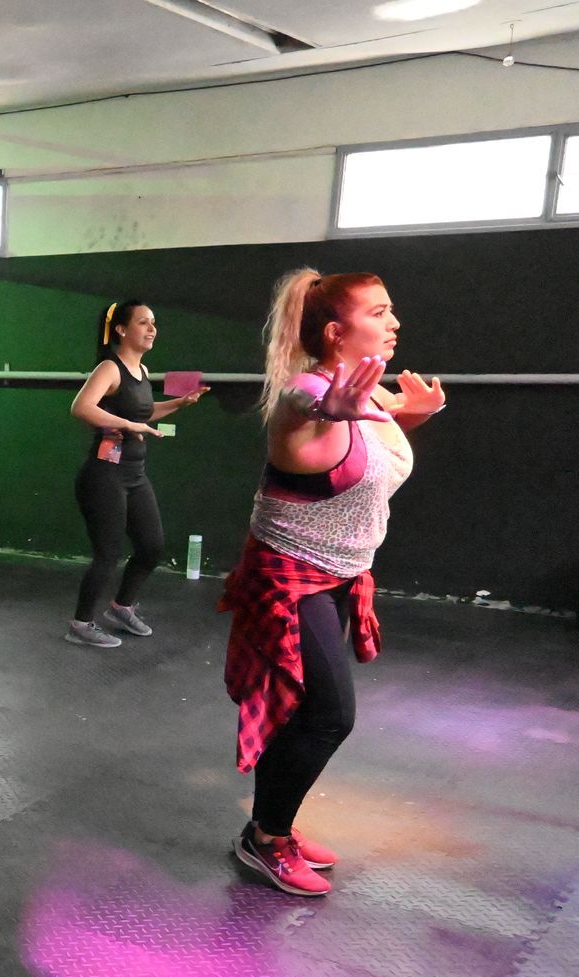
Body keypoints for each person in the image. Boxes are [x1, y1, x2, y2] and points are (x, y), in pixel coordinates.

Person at [222, 269, 445, 896]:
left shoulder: (366, 398)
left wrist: (411, 416)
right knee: (329, 715)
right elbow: (299, 401)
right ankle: (267, 839)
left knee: (303, 711)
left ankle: (268, 828)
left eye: (391, 309)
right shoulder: (309, 394)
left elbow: (360, 458)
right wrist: (323, 404)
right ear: (335, 333)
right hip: (290, 576)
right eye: (378, 312)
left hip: (341, 573)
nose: (394, 322)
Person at [65, 300, 209, 647]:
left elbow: (143, 413)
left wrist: (179, 403)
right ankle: (81, 624)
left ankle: (121, 608)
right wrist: (129, 425)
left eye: (153, 323)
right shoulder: (109, 368)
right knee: (108, 553)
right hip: (104, 474)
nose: (152, 329)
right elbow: (81, 407)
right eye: (143, 322)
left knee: (151, 546)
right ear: (121, 329)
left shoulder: (142, 371)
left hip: (134, 474)